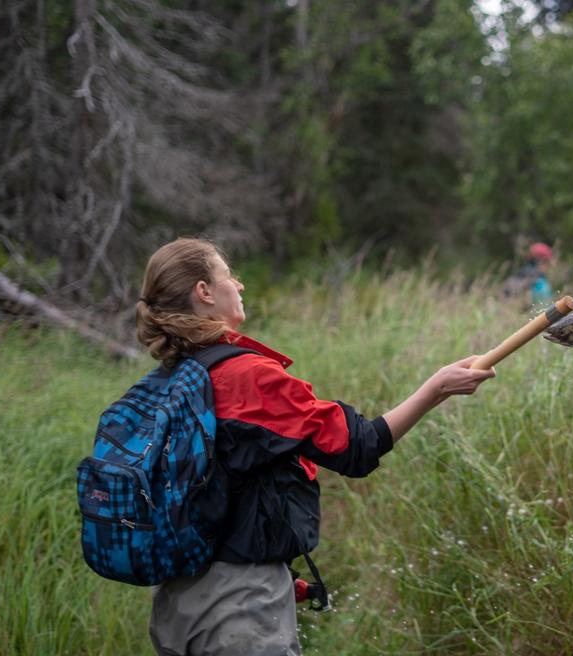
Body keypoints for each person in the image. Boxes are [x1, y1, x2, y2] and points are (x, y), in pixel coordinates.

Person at [138, 238, 494, 655]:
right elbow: (357, 447)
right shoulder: (247, 377)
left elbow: (213, 498)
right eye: (227, 276)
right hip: (239, 613)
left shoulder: (164, 384)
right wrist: (436, 390)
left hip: (174, 609)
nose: (240, 286)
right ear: (204, 292)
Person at [502, 241, 554, 308]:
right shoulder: (541, 283)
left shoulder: (517, 276)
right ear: (542, 262)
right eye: (547, 263)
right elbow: (545, 307)